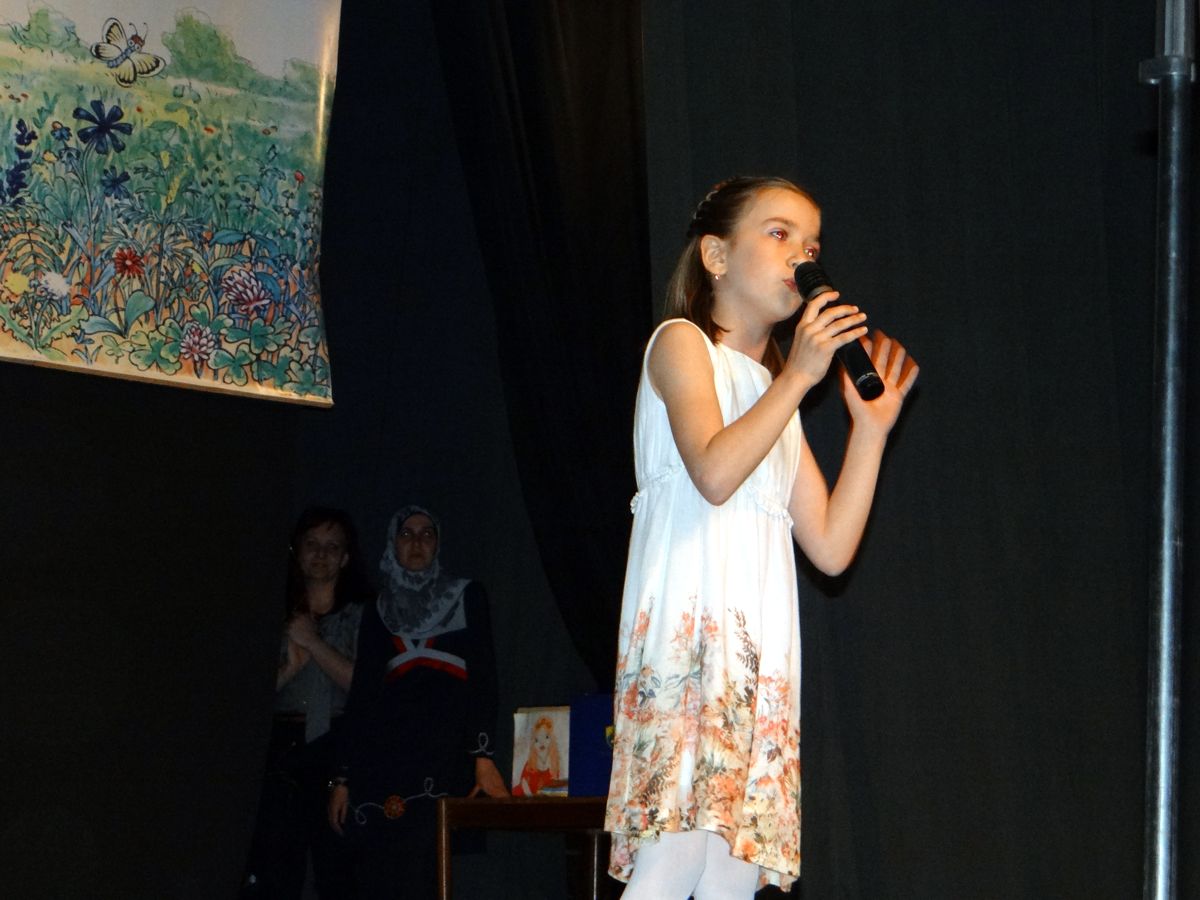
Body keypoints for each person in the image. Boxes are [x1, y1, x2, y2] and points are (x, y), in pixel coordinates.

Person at [604, 176, 919, 898]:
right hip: (690, 643)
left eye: (811, 245)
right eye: (779, 234)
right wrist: (799, 375)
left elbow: (831, 548)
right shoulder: (681, 345)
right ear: (716, 256)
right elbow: (714, 472)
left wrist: (869, 433)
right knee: (674, 858)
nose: (801, 257)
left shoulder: (776, 399)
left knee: (731, 875)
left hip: (757, 660)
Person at [328, 505, 508, 898]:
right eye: (406, 534)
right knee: (387, 877)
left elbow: (484, 679)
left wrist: (483, 757)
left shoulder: (466, 596)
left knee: (436, 873)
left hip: (445, 757)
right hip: (388, 763)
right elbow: (363, 697)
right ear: (393, 544)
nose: (416, 543)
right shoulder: (378, 610)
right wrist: (342, 780)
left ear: (438, 543)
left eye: (427, 534)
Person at [243, 506, 368, 899]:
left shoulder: (363, 616)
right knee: (274, 867)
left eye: (332, 546)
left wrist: (313, 642)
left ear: (345, 557)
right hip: (282, 746)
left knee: (337, 869)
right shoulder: (274, 615)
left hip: (338, 747)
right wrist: (290, 667)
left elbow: (366, 688)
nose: (321, 554)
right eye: (312, 544)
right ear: (296, 551)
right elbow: (245, 698)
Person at [513, 715, 561, 796]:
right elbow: (524, 789)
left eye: (546, 737)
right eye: (537, 740)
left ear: (552, 740)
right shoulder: (529, 765)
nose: (542, 742)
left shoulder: (554, 766)